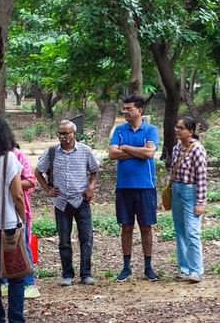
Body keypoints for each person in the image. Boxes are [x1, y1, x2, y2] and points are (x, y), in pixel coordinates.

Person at [35, 120, 99, 286]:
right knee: (64, 240)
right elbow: (38, 171)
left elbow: (94, 171)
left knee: (86, 238)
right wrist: (47, 190)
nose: (63, 137)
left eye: (66, 133)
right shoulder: (52, 152)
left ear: (74, 134)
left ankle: (86, 274)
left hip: (81, 200)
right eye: (60, 133)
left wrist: (90, 187)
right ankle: (67, 274)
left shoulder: (85, 151)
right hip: (61, 202)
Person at [0, 116, 38, 323]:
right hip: (8, 226)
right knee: (16, 277)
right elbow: (17, 195)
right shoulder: (9, 159)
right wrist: (22, 219)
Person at [109, 95, 159, 282]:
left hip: (146, 186)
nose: (125, 112)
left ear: (140, 110)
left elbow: (149, 153)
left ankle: (148, 267)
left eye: (129, 108)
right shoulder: (119, 130)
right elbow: (113, 154)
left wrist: (126, 148)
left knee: (146, 227)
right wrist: (139, 152)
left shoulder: (151, 130)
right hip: (124, 187)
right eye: (124, 108)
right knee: (126, 226)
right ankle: (126, 267)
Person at [170, 116, 207, 283]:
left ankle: (196, 270)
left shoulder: (197, 149)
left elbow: (202, 178)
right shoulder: (177, 148)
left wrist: (200, 202)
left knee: (192, 232)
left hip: (190, 191)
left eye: (181, 128)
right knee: (180, 230)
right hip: (177, 189)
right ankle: (184, 268)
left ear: (190, 131)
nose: (177, 130)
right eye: (176, 127)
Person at [1, 143, 40, 299]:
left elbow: (30, 181)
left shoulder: (15, 155)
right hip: (0, 213)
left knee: (21, 246)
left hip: (15, 212)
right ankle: (3, 281)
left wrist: (10, 183)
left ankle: (29, 283)